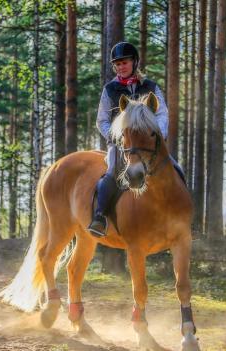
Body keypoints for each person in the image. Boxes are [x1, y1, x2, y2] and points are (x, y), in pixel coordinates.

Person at [87, 41, 186, 238]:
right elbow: (102, 121)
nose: (121, 67)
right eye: (117, 64)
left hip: (149, 144)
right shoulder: (110, 90)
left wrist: (158, 134)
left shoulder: (150, 87)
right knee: (111, 172)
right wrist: (118, 137)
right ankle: (99, 217)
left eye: (124, 62)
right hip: (122, 146)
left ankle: (184, 215)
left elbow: (163, 114)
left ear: (134, 63)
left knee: (176, 169)